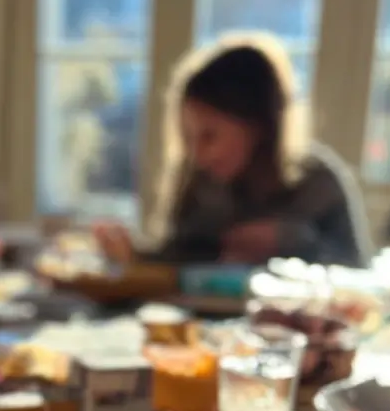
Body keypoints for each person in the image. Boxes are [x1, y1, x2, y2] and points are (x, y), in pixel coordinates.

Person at [97, 34, 372, 268]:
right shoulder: (201, 181)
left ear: (258, 125)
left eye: (209, 136)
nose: (198, 155)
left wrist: (293, 241)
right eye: (188, 137)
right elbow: (178, 262)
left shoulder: (319, 183)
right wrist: (134, 257)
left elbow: (358, 276)